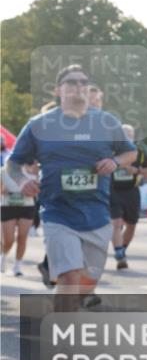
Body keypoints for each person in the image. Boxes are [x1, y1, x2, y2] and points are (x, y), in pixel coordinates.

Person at [5, 65, 136, 311]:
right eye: (72, 82)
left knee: (86, 283)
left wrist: (115, 161)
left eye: (83, 82)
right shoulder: (40, 124)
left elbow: (130, 152)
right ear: (57, 90)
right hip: (58, 213)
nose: (79, 87)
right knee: (69, 277)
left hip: (97, 214)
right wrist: (23, 182)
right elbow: (13, 163)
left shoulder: (106, 122)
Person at [109, 124, 147, 269]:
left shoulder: (139, 152)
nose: (127, 137)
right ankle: (119, 253)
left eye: (130, 135)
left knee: (132, 225)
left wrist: (138, 170)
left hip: (131, 191)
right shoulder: (111, 151)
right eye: (124, 134)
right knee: (116, 223)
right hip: (113, 190)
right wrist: (124, 166)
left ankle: (123, 248)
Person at [1, 141, 34, 276]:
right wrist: (4, 190)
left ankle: (17, 267)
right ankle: (3, 256)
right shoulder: (2, 172)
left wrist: (30, 191)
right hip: (8, 206)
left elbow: (38, 189)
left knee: (22, 237)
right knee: (9, 240)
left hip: (27, 206)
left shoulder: (30, 170)